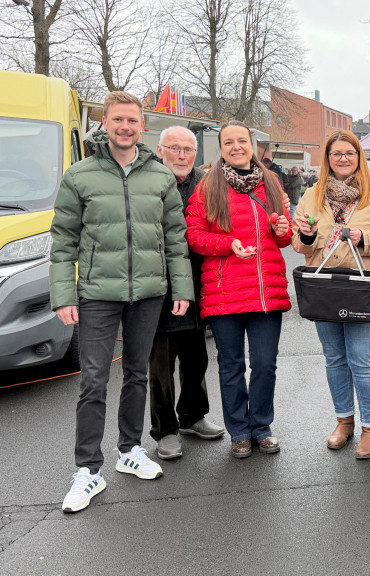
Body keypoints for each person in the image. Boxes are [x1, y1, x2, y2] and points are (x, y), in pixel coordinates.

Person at [50, 91, 193, 513]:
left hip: (148, 293)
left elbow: (174, 240)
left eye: (132, 120)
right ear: (106, 123)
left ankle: (129, 449)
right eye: (118, 120)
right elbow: (63, 242)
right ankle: (88, 469)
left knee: (136, 374)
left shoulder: (161, 177)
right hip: (97, 295)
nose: (125, 127)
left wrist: (181, 289)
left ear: (141, 125)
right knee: (93, 381)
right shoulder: (80, 175)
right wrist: (63, 294)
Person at [292, 130, 370, 459]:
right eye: (336, 153)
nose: (343, 158)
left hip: (367, 289)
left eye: (349, 153)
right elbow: (299, 245)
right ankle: (344, 421)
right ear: (327, 159)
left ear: (359, 157)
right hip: (325, 288)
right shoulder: (312, 195)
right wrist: (307, 234)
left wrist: (362, 236)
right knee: (335, 359)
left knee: (364, 360)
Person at [186, 120, 291, 459]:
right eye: (228, 142)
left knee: (264, 364)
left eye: (241, 140)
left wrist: (281, 227)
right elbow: (195, 236)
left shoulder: (271, 181)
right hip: (224, 292)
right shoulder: (208, 186)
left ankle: (261, 427)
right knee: (230, 365)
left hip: (265, 292)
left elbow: (284, 238)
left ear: (252, 144)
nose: (236, 146)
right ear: (221, 148)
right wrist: (228, 244)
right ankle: (239, 432)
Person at [149, 126, 225, 461]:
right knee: (161, 366)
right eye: (175, 148)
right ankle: (165, 430)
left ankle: (193, 417)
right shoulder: (147, 181)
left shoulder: (207, 184)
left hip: (199, 284)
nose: (182, 155)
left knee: (196, 358)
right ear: (160, 149)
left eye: (188, 150)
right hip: (157, 286)